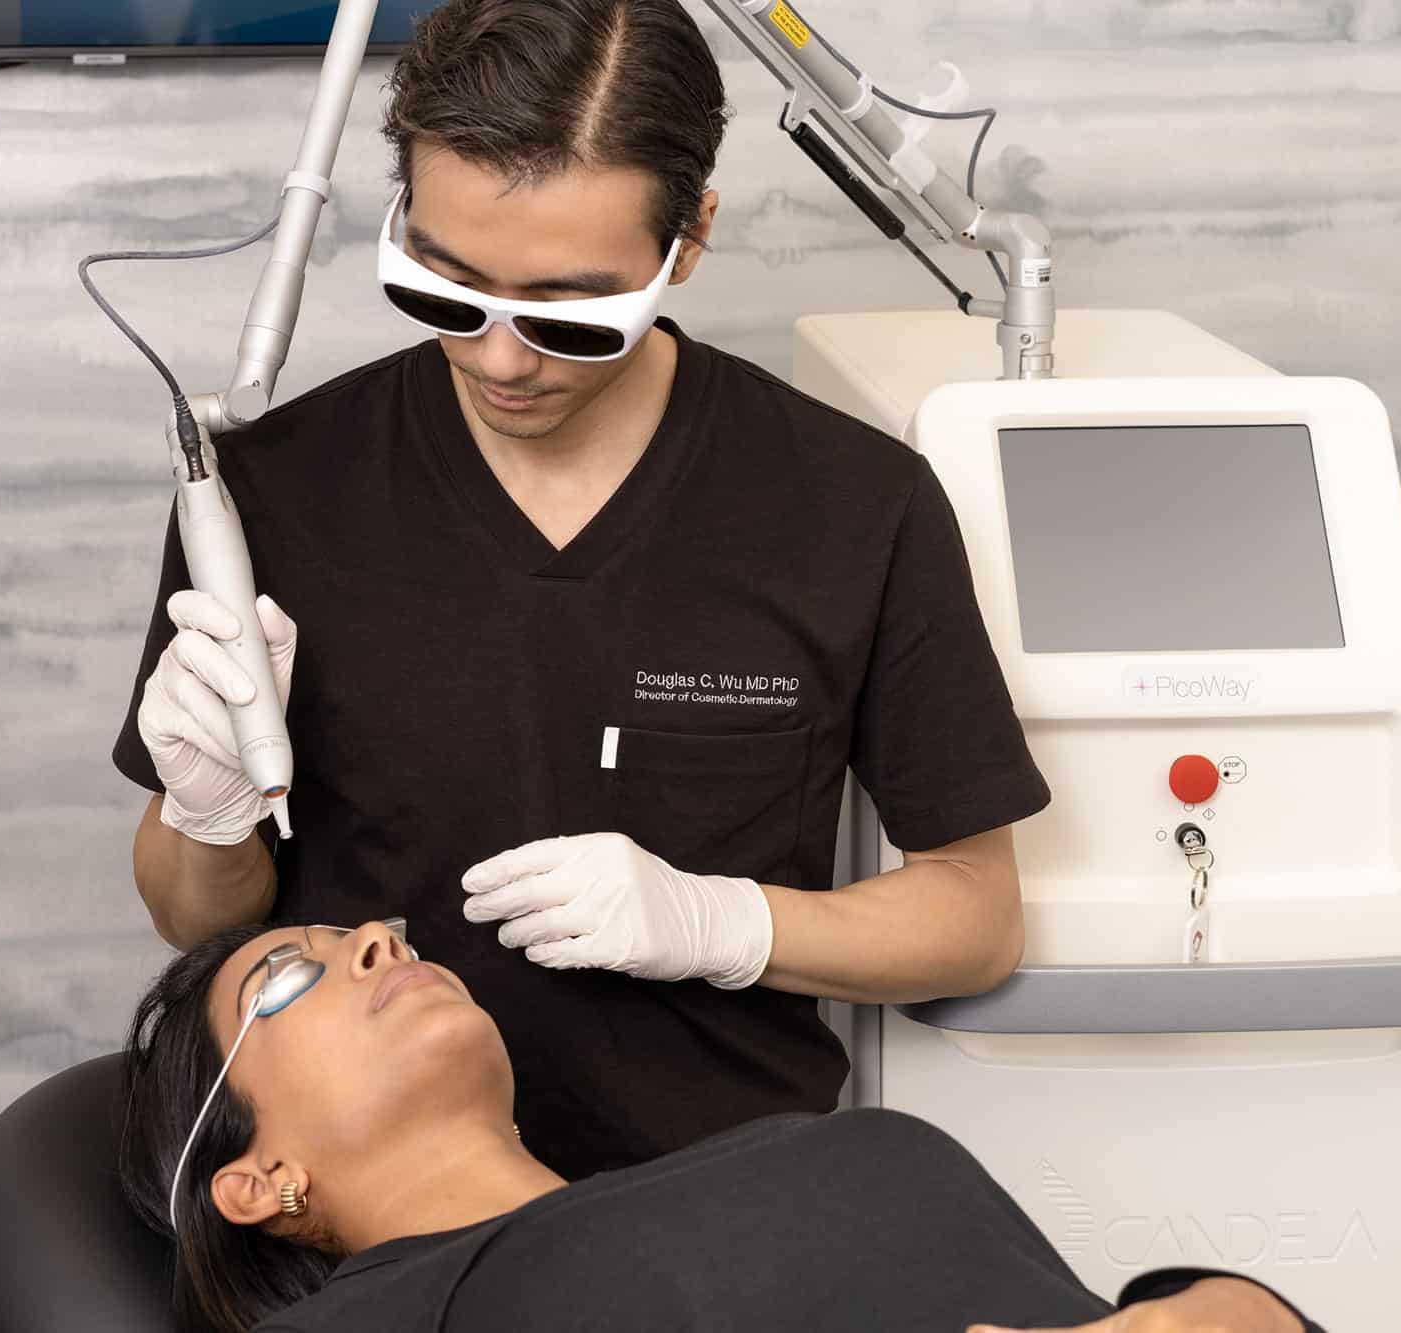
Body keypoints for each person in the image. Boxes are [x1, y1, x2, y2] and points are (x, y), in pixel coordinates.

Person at [115, 0, 1053, 1181]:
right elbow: (197, 925)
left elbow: (974, 919)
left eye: (571, 311)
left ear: (690, 239)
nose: (502, 359)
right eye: (447, 290)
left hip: (716, 1207)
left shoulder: (851, 505)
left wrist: (721, 925)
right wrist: (207, 820)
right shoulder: (269, 490)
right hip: (391, 1219)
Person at [117, 918, 1322, 1333]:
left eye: (367, 931)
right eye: (291, 973)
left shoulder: (787, 1150)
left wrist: (1224, 1305)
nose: (376, 938)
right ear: (258, 1178)